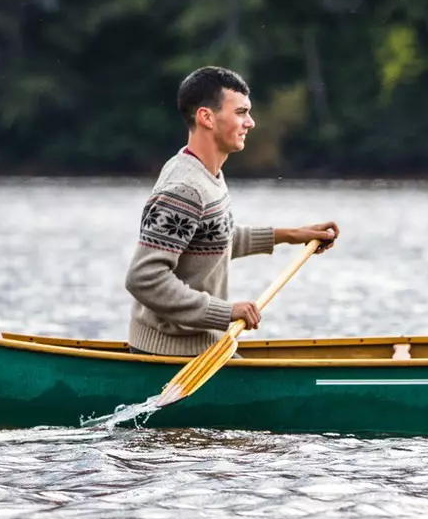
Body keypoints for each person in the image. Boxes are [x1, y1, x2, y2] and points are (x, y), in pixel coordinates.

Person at [125, 66, 340, 357]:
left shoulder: (205, 174)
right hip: (171, 356)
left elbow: (209, 239)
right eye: (241, 112)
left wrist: (292, 235)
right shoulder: (184, 188)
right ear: (206, 117)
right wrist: (225, 311)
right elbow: (144, 279)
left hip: (206, 347)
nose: (250, 122)